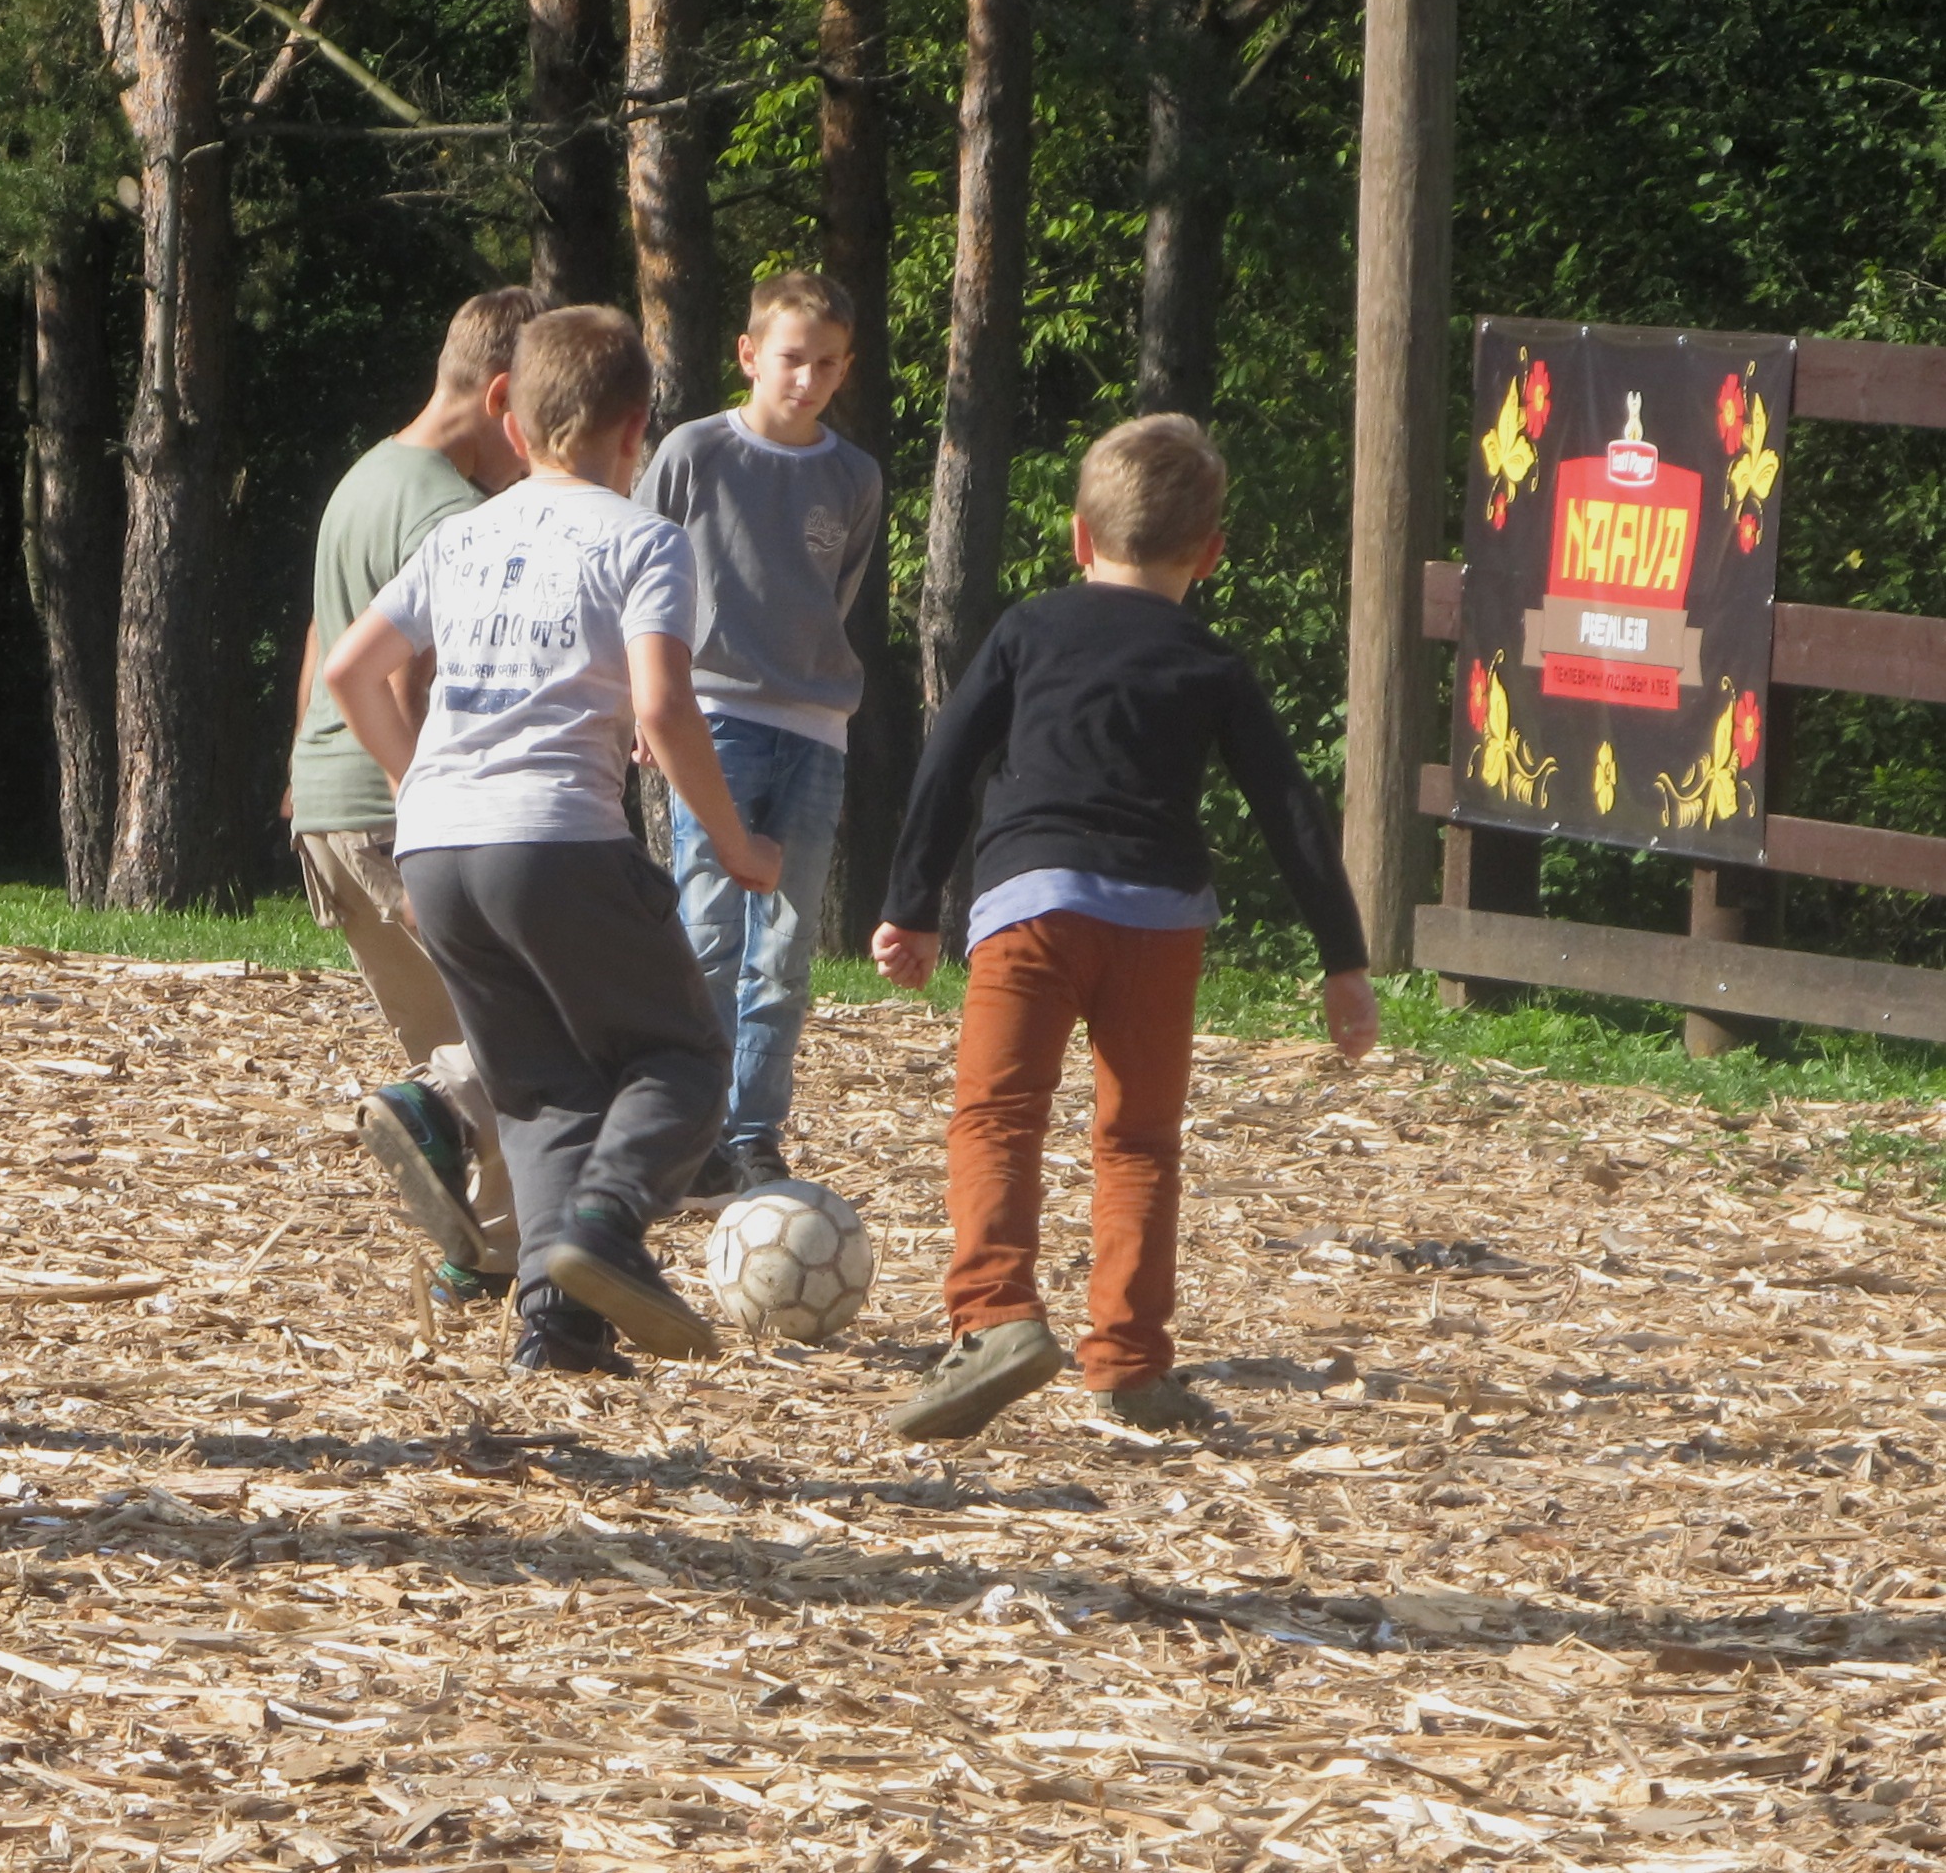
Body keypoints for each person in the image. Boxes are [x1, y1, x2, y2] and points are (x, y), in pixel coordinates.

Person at [869, 413, 1378, 1440]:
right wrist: (1341, 960)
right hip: (1158, 923)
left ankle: (995, 1315)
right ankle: (1130, 1365)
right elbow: (1289, 810)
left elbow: (947, 762)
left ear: (1075, 536)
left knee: (998, 1116)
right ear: (1211, 551)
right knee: (1137, 1140)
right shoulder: (1213, 661)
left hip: (1030, 907)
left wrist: (908, 903)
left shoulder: (1026, 627)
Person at [323, 306, 782, 1374]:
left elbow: (350, 669)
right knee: (679, 1057)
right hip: (556, 838)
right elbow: (664, 710)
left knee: (541, 1089)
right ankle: (603, 1223)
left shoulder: (461, 532)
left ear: (511, 420)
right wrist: (737, 843)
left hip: (436, 848)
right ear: (638, 429)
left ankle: (557, 1324)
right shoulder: (643, 539)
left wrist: (418, 781)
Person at [289, 286, 540, 1309]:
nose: (535, 454)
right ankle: (498, 1263)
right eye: (534, 426)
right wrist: (427, 800)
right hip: (398, 809)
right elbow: (401, 676)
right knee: (520, 1036)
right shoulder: (447, 509)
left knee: (465, 1049)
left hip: (326, 803)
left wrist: (297, 774)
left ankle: (483, 1266)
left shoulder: (363, 477)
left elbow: (323, 642)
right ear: (496, 398)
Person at [639, 269, 881, 1195]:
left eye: (826, 364)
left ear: (844, 369)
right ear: (748, 355)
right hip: (712, 718)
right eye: (789, 359)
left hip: (815, 725)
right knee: (709, 931)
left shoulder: (853, 477)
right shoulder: (694, 453)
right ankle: (689, 1129)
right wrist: (641, 704)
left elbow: (837, 596)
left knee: (784, 950)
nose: (805, 379)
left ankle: (752, 1132)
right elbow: (640, 580)